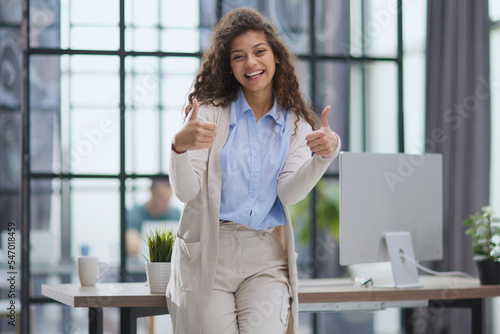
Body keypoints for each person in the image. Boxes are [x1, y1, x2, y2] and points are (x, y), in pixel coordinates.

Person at [167, 7, 340, 334]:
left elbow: (289, 192)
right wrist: (179, 148)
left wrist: (323, 157)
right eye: (238, 56)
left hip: (265, 258)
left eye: (259, 51)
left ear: (276, 56)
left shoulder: (296, 125)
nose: (250, 63)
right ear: (229, 66)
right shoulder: (209, 114)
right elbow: (186, 192)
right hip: (209, 255)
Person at [126, 176, 181, 257]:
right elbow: (132, 247)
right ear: (152, 191)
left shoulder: (176, 214)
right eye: (161, 197)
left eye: (167, 198)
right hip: (140, 264)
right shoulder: (135, 213)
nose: (164, 202)